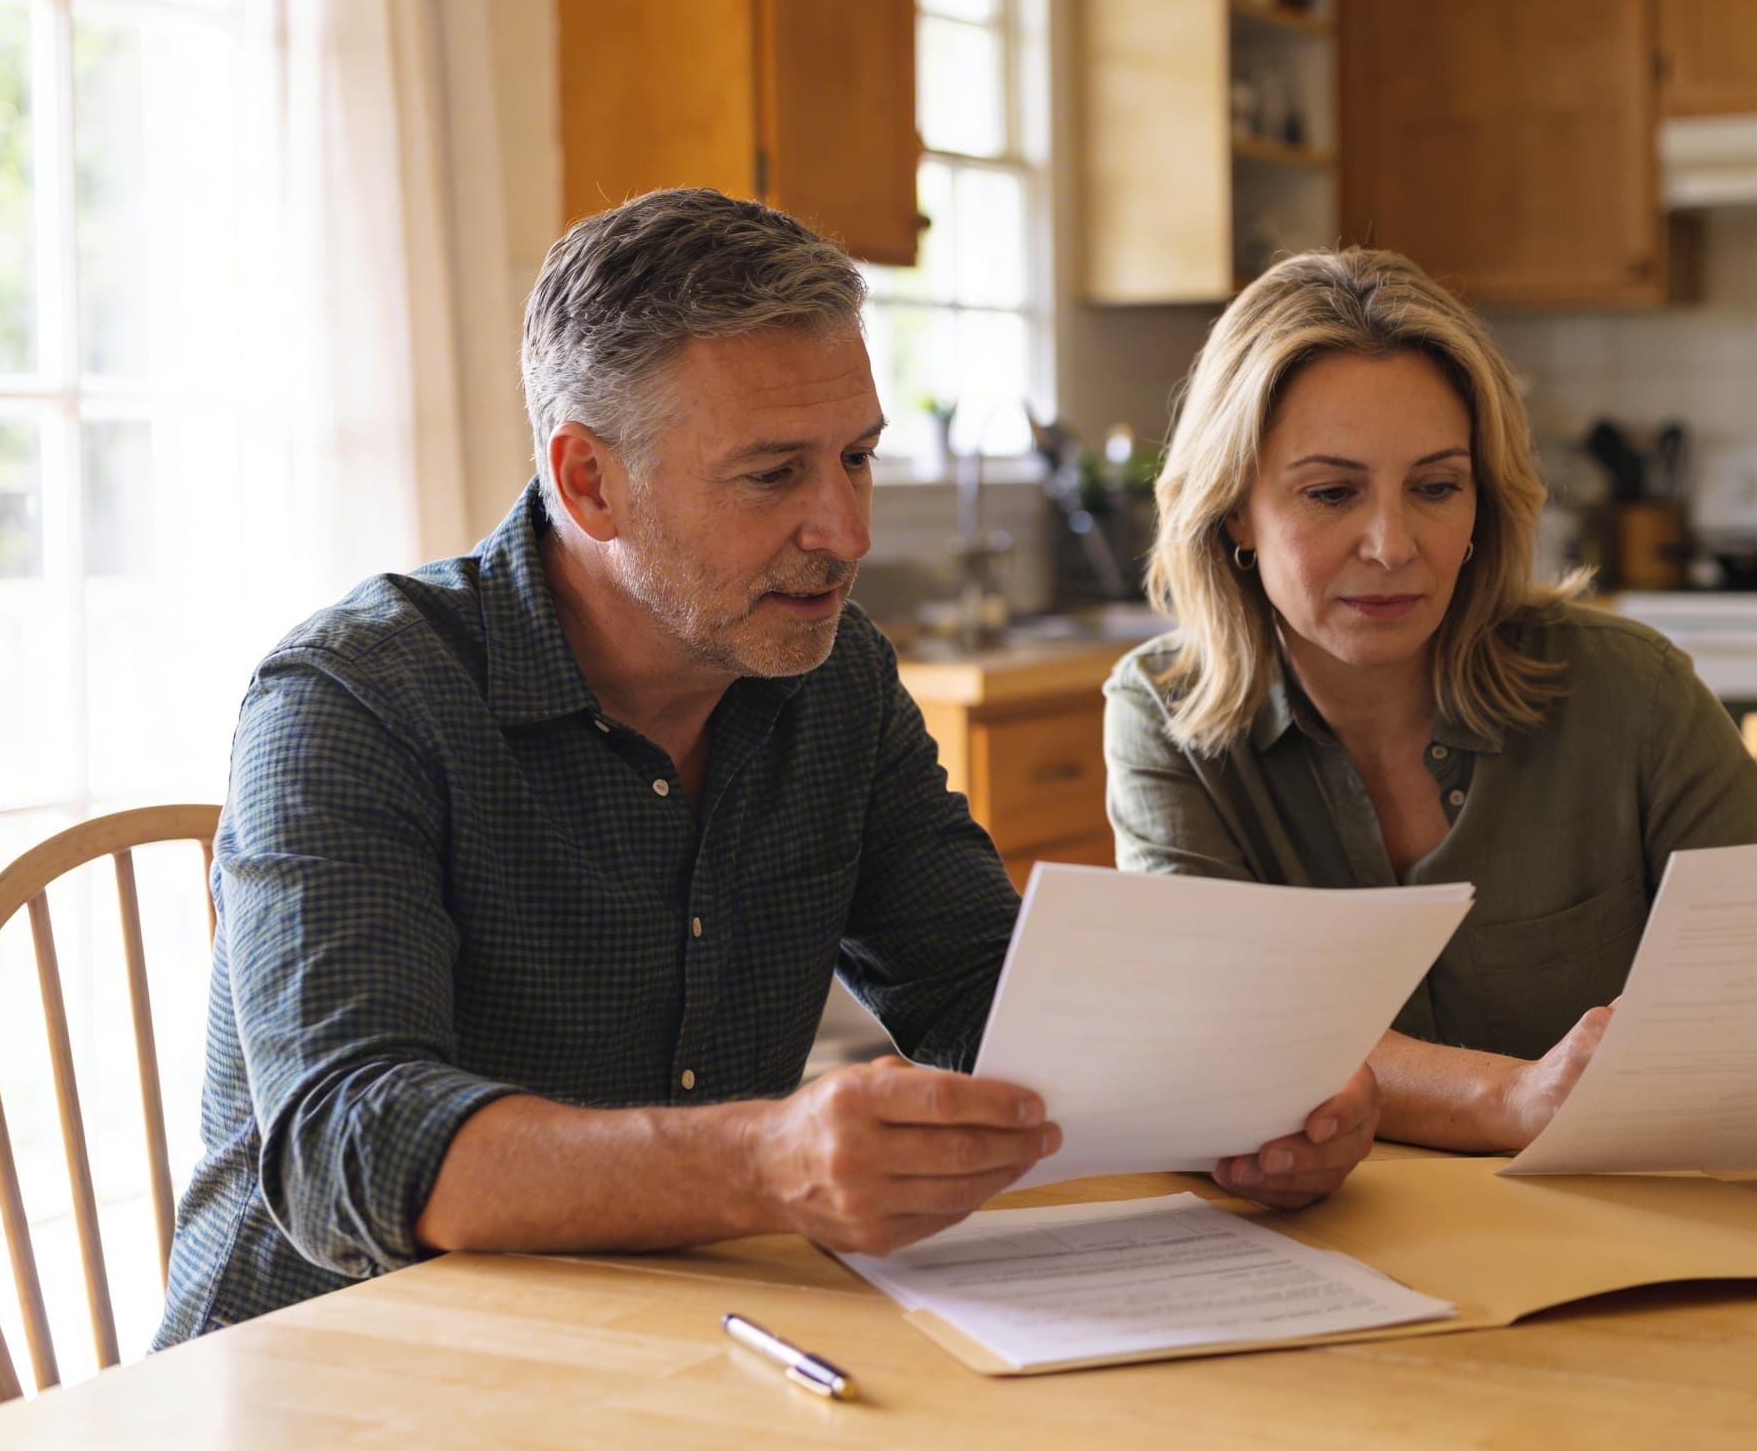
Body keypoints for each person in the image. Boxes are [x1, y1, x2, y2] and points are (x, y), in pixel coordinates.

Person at [156, 189, 1375, 1346]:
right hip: (335, 1376)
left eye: (856, 456)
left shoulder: (831, 675)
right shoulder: (357, 696)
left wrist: (1248, 1100)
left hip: (663, 1344)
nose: (844, 531)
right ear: (589, 479)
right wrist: (761, 1160)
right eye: (772, 472)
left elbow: (985, 991)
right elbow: (341, 1147)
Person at [1104, 246, 1757, 1178]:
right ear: (1232, 514)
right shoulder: (1163, 717)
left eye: (1436, 487)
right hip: (1330, 1244)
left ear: (1484, 503)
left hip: (1632, 1229)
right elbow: (1219, 1028)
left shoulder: (1631, 691)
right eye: (1330, 493)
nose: (1392, 545)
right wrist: (1512, 1098)